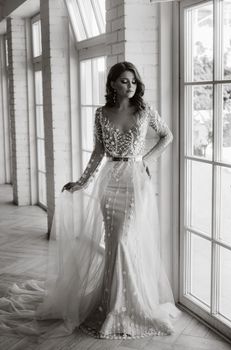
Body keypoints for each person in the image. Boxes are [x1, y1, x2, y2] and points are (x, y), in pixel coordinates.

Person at [0, 61, 182, 340]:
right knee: (114, 243)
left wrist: (145, 160)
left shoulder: (145, 110)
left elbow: (167, 136)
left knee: (124, 240)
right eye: (123, 81)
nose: (130, 86)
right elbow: (98, 152)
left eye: (133, 81)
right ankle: (111, 305)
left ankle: (132, 306)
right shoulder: (101, 114)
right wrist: (82, 182)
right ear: (112, 84)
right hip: (110, 180)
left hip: (135, 182)